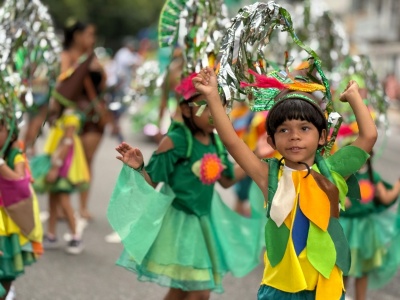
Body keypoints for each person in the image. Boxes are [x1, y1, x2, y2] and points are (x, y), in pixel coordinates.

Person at [192, 67, 377, 300]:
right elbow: (231, 141)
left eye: (305, 128)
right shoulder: (268, 175)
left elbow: (368, 136)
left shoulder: (334, 171)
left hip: (324, 289)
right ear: (271, 140)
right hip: (280, 288)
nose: (294, 136)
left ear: (322, 136)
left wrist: (353, 97)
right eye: (284, 129)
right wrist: (211, 96)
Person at [108, 74, 264, 300]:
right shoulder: (175, 140)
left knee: (180, 291)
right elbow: (151, 181)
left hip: (204, 224)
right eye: (208, 105)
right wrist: (139, 167)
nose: (215, 113)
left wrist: (257, 157)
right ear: (187, 108)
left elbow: (227, 180)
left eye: (220, 105)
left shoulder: (216, 141)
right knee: (199, 293)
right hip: (179, 225)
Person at [31, 20, 93, 254]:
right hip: (56, 157)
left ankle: (76, 235)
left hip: (64, 162)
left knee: (63, 198)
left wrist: (56, 165)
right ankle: (51, 234)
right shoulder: (60, 116)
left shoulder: (70, 116)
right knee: (54, 198)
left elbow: (67, 142)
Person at [339, 151, 400, 300]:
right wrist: (339, 198)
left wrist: (398, 184)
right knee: (343, 271)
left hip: (365, 231)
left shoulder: (372, 177)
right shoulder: (343, 177)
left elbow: (386, 198)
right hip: (346, 229)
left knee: (362, 271)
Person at [0, 118, 43, 299]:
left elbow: (20, 180)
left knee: (6, 267)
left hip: (7, 219)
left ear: (11, 134)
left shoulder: (15, 154)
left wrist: (0, 164)